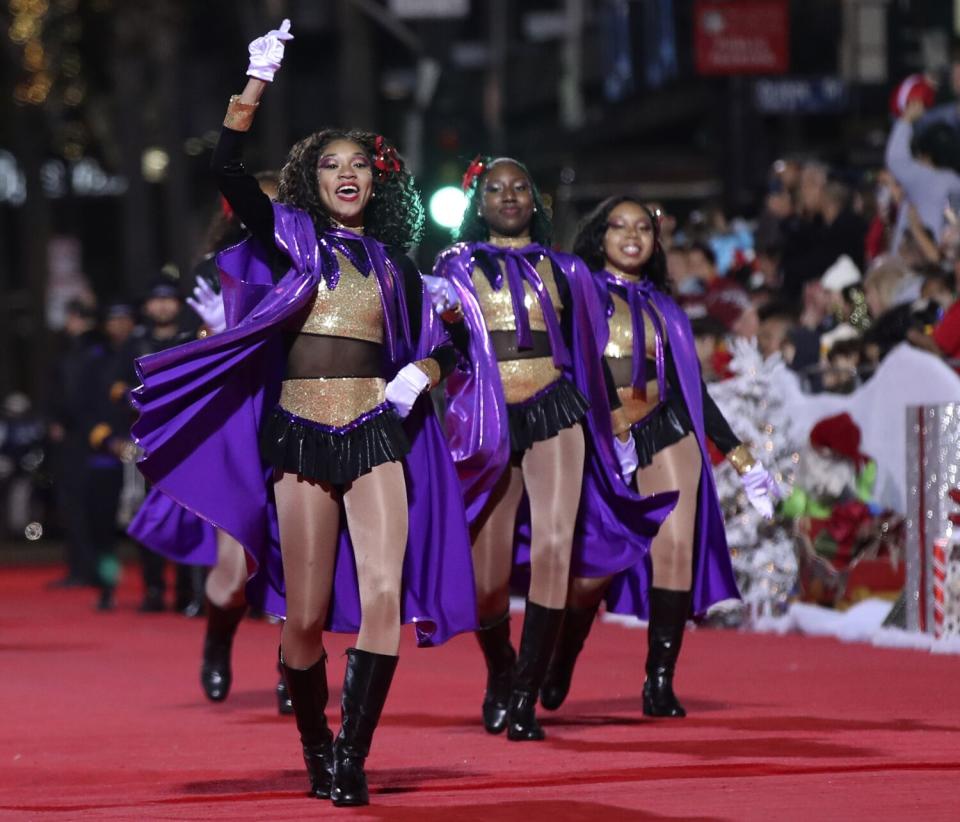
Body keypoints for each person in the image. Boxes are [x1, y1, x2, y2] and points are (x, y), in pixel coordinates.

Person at [130, 20, 475, 807]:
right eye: (331, 164)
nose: (346, 174)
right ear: (310, 179)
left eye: (359, 165)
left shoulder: (399, 268)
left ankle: (352, 754)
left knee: (384, 594)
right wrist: (254, 85)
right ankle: (316, 742)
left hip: (375, 434)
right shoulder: (290, 239)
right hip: (297, 431)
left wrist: (422, 370)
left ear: (377, 183)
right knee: (306, 616)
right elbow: (222, 167)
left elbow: (451, 346)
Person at [433, 157, 675, 742]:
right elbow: (441, 343)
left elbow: (594, 351)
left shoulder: (568, 269)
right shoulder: (452, 265)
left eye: (519, 188)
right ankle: (501, 670)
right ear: (477, 201)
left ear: (535, 202)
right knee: (485, 578)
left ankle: (524, 698)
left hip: (556, 405)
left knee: (555, 546)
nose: (509, 196)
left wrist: (617, 422)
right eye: (496, 188)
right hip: (488, 416)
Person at [538, 197, 779, 717]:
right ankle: (561, 661)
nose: (631, 235)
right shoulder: (579, 290)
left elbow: (693, 391)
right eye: (618, 225)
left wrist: (741, 458)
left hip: (665, 427)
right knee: (592, 567)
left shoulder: (667, 307)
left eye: (642, 227)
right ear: (598, 235)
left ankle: (659, 681)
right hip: (599, 434)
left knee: (674, 550)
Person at [128, 174, 293, 713]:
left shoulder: (308, 258)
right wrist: (217, 334)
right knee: (235, 564)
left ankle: (296, 666)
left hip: (297, 411)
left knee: (300, 555)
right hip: (236, 421)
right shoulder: (211, 269)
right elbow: (191, 349)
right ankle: (218, 643)